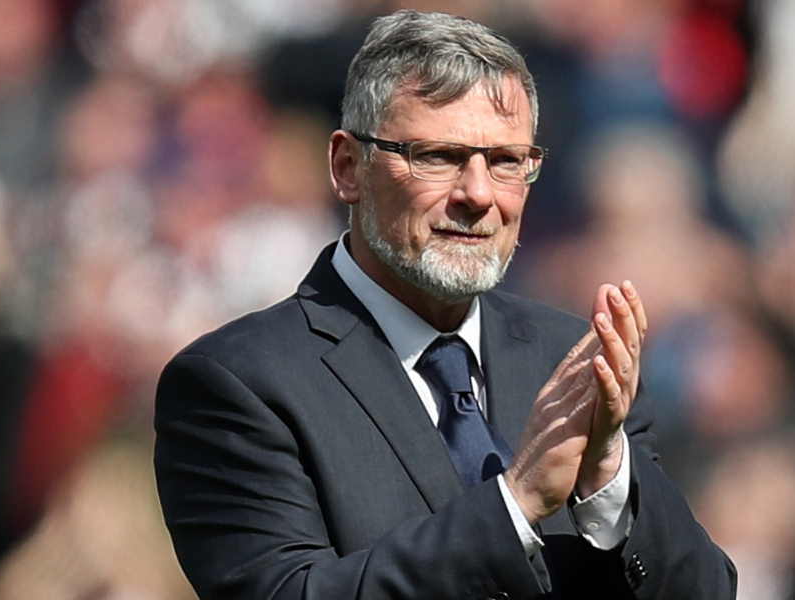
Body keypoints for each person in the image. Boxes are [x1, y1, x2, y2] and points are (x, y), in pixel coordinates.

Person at [154, 10, 736, 599]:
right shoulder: (239, 383)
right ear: (348, 168)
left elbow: (705, 590)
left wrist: (609, 479)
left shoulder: (572, 359)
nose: (478, 194)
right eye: (438, 156)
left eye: (506, 162)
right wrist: (514, 506)